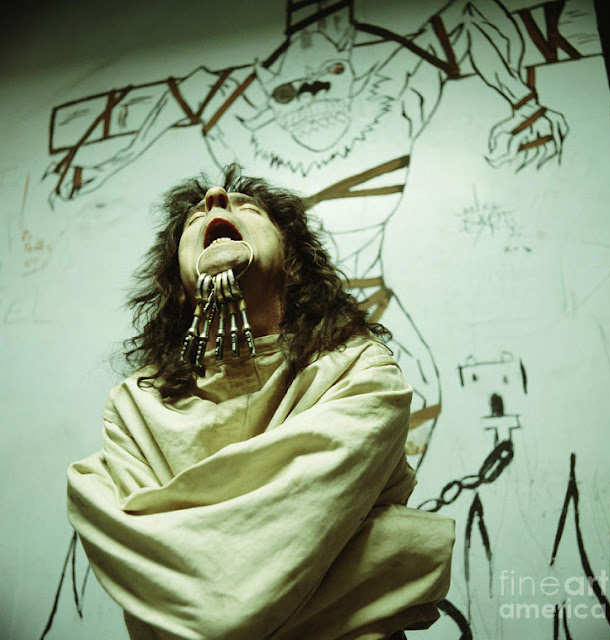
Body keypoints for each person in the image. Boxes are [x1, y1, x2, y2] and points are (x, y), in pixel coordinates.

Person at [66, 166, 455, 640]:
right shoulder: (133, 407)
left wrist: (183, 558)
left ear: (293, 265)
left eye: (247, 207)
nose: (216, 199)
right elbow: (220, 609)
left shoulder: (362, 371)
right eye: (194, 219)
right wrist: (387, 553)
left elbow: (209, 609)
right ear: (181, 291)